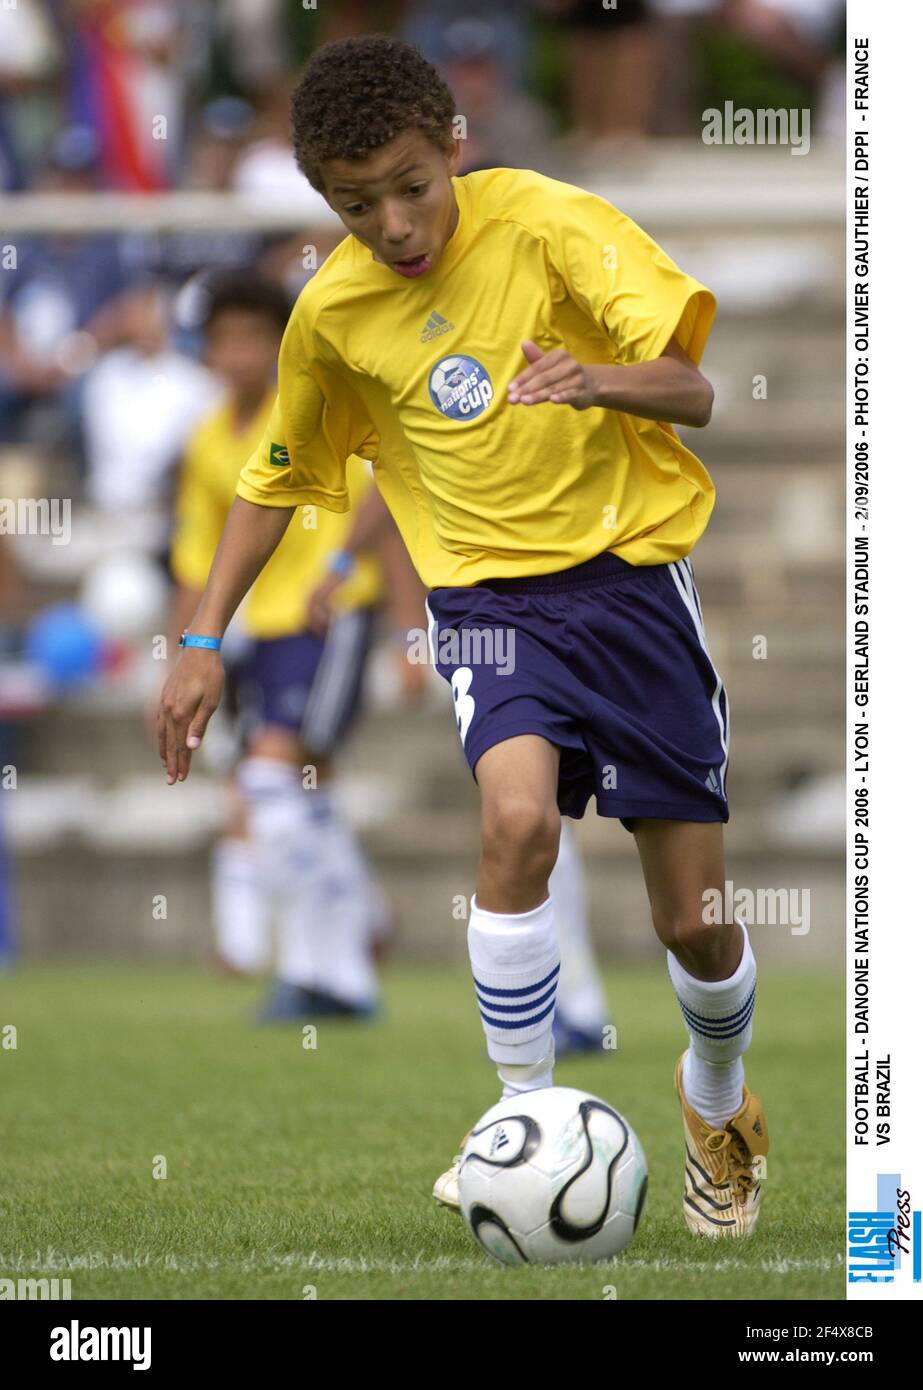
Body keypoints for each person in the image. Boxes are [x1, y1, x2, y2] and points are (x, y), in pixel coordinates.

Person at [157, 35, 768, 1239]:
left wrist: (593, 380)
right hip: (487, 610)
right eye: (352, 203)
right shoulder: (330, 310)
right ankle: (519, 1122)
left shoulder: (545, 221)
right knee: (514, 820)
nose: (389, 223)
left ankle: (715, 1105)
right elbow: (276, 477)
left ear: (453, 146)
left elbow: (692, 389)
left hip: (631, 586)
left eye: (406, 185)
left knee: (690, 924)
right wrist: (200, 638)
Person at [166, 271, 387, 1020]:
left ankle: (314, 970)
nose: (238, 354)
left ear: (279, 344)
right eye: (223, 339)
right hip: (262, 630)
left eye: (253, 338)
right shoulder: (204, 444)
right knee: (305, 787)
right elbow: (196, 564)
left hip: (332, 616)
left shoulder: (314, 411)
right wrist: (182, 657)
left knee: (270, 778)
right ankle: (354, 945)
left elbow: (382, 492)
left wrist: (346, 570)